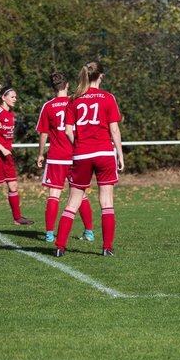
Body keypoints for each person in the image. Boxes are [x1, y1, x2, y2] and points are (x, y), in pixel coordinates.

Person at [54, 61, 123, 257]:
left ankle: (60, 246)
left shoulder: (74, 99)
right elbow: (114, 129)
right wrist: (120, 153)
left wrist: (79, 145)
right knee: (107, 202)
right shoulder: (108, 98)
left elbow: (68, 131)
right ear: (101, 75)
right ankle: (107, 248)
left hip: (82, 154)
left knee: (72, 202)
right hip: (104, 153)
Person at [36, 71, 94, 243]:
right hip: (76, 155)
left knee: (54, 194)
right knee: (80, 194)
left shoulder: (48, 106)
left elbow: (43, 134)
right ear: (67, 85)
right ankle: (89, 232)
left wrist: (40, 154)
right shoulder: (76, 101)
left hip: (56, 157)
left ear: (53, 87)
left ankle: (48, 234)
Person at [0, 87, 35, 225]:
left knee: (13, 185)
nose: (15, 99)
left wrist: (6, 150)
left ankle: (17, 218)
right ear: (3, 97)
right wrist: (2, 149)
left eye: (15, 97)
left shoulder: (11, 114)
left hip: (7, 154)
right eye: (12, 97)